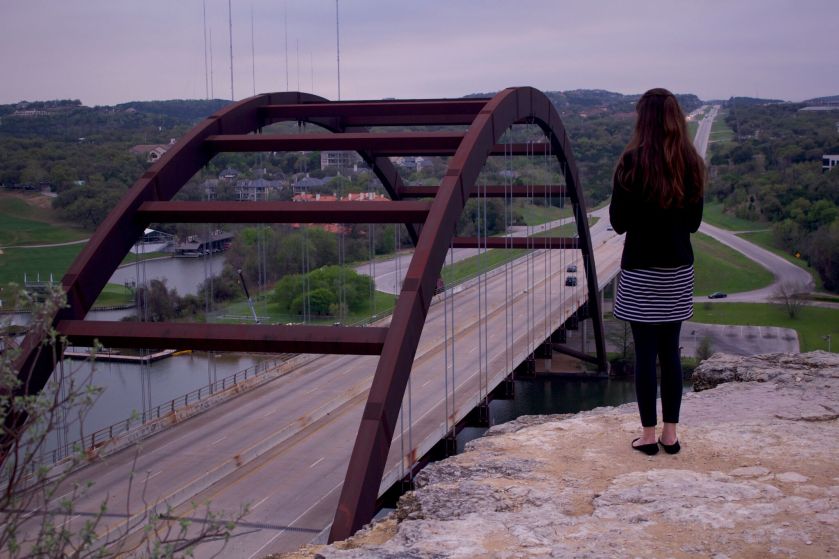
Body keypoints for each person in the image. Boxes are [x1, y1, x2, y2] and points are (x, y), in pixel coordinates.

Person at [609, 88, 705, 456]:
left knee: (645, 355)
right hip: (677, 271)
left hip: (639, 271)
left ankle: (647, 437)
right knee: (671, 352)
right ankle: (671, 435)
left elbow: (618, 223)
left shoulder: (631, 163)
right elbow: (694, 224)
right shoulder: (691, 163)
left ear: (642, 121)